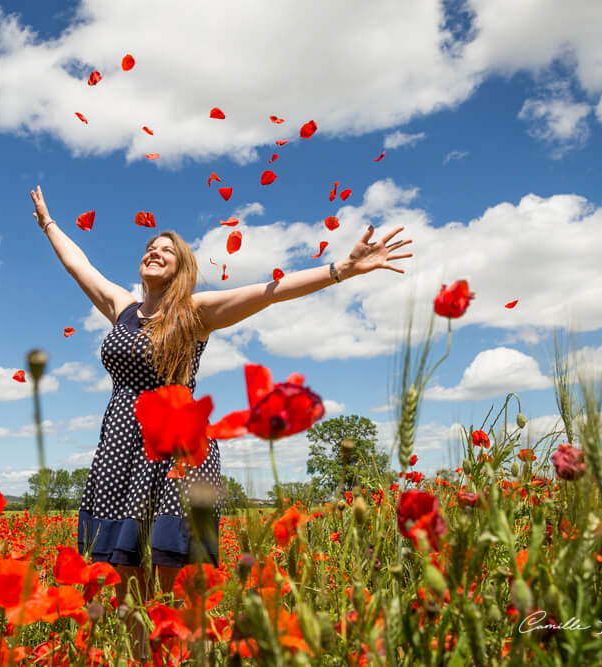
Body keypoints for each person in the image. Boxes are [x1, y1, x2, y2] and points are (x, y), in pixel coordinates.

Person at [29, 185, 411, 601]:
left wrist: (343, 268)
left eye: (166, 251)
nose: (153, 252)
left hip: (176, 447)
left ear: (182, 268)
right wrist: (48, 223)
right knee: (124, 575)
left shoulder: (195, 311)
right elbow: (77, 264)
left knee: (171, 575)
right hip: (121, 444)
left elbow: (272, 291)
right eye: (149, 248)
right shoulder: (121, 307)